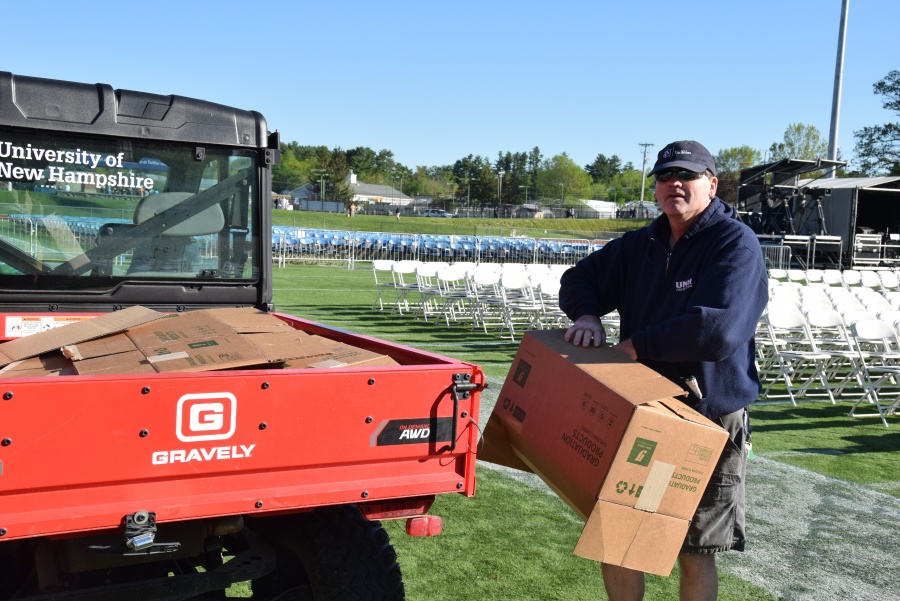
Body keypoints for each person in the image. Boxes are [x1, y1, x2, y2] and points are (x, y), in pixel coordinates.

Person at [558, 140, 768, 601]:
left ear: (711, 185)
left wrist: (637, 345)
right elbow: (579, 279)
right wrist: (588, 315)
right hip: (641, 410)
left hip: (707, 418)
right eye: (666, 176)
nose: (676, 184)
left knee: (694, 550)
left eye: (688, 176)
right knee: (619, 538)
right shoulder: (643, 242)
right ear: (655, 188)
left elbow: (720, 331)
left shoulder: (735, 243)